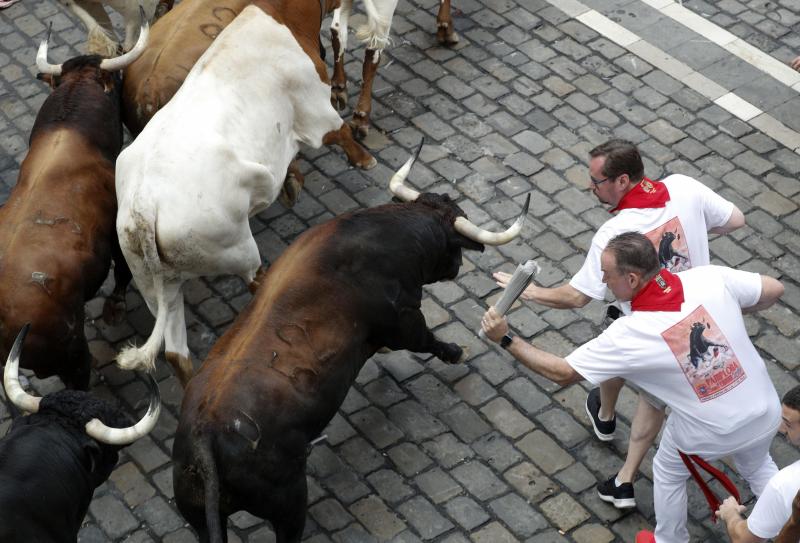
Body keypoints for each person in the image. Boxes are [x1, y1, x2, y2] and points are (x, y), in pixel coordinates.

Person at [482, 232, 784, 543]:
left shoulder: (630, 333)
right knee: (759, 463)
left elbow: (562, 373)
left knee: (667, 469)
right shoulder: (709, 277)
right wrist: (729, 312)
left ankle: (669, 540)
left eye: (607, 274)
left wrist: (506, 339)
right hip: (765, 410)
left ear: (632, 278)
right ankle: (792, 523)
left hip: (715, 429)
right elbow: (775, 288)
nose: (602, 280)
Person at [494, 139, 745, 508]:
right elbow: (736, 220)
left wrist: (530, 293)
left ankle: (624, 475)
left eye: (596, 181)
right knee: (633, 369)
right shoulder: (685, 187)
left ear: (622, 180)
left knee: (634, 370)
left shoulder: (614, 236)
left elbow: (577, 297)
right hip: (697, 309)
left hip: (650, 324)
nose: (590, 187)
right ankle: (608, 421)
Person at [716, 385, 800, 542]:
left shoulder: (785, 484)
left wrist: (731, 514)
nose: (782, 429)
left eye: (788, 424)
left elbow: (744, 539)